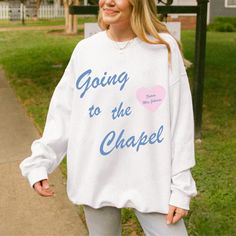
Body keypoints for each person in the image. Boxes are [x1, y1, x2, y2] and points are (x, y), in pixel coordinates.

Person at [19, 0, 198, 235]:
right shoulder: (85, 51)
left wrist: (181, 187)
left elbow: (181, 122)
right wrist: (40, 162)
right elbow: (63, 113)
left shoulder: (163, 49)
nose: (108, 1)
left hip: (150, 177)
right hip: (96, 175)